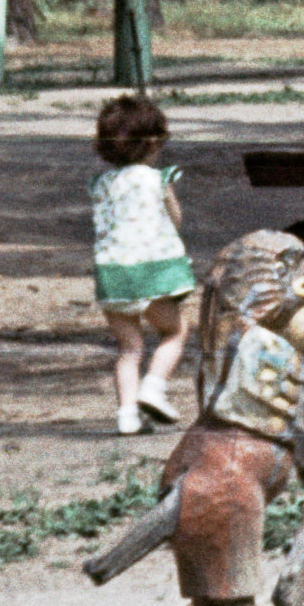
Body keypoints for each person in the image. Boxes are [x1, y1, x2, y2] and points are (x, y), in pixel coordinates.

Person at [90, 90, 195, 434]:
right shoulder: (158, 179)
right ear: (153, 143)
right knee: (174, 330)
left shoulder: (101, 184)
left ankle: (127, 416)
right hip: (152, 271)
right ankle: (154, 386)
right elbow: (175, 218)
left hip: (113, 275)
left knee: (129, 348)